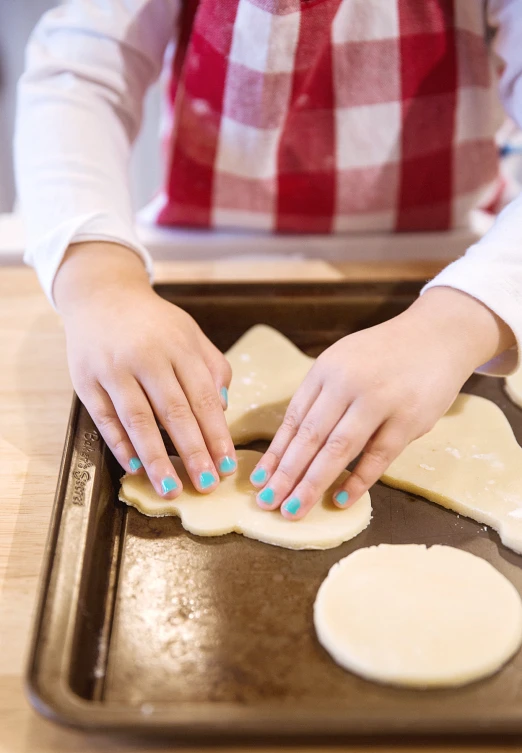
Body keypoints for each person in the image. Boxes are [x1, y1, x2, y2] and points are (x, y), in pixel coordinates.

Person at [15, 0, 522, 521]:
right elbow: (79, 72)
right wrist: (99, 281)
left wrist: (460, 321)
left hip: (446, 257)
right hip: (205, 253)